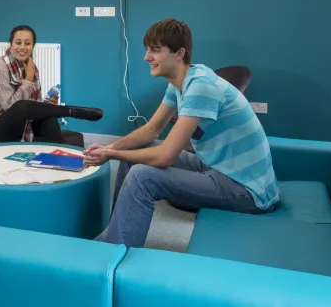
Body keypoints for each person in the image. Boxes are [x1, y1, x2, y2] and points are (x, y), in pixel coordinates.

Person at [84, 19, 278, 247]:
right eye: (147, 50)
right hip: (216, 166)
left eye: (155, 51)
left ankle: (113, 257)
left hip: (246, 189)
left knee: (142, 177)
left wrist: (111, 155)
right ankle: (116, 233)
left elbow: (165, 156)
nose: (147, 57)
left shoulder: (201, 87)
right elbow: (151, 130)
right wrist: (111, 148)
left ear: (179, 53)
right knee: (133, 153)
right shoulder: (180, 82)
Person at [0, 25, 102, 143]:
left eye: (27, 43)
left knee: (49, 119)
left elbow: (33, 105)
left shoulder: (30, 67)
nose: (22, 47)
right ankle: (71, 111)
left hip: (21, 120)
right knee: (20, 107)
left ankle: (59, 155)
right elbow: (11, 106)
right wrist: (28, 79)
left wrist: (48, 105)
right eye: (18, 43)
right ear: (11, 44)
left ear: (33, 46)